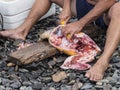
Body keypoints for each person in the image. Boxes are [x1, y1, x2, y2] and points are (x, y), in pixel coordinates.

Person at [0, 0, 120, 81]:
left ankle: (104, 60)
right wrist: (66, 8)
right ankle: (21, 30)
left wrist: (80, 23)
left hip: (107, 11)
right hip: (84, 4)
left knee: (118, 9)